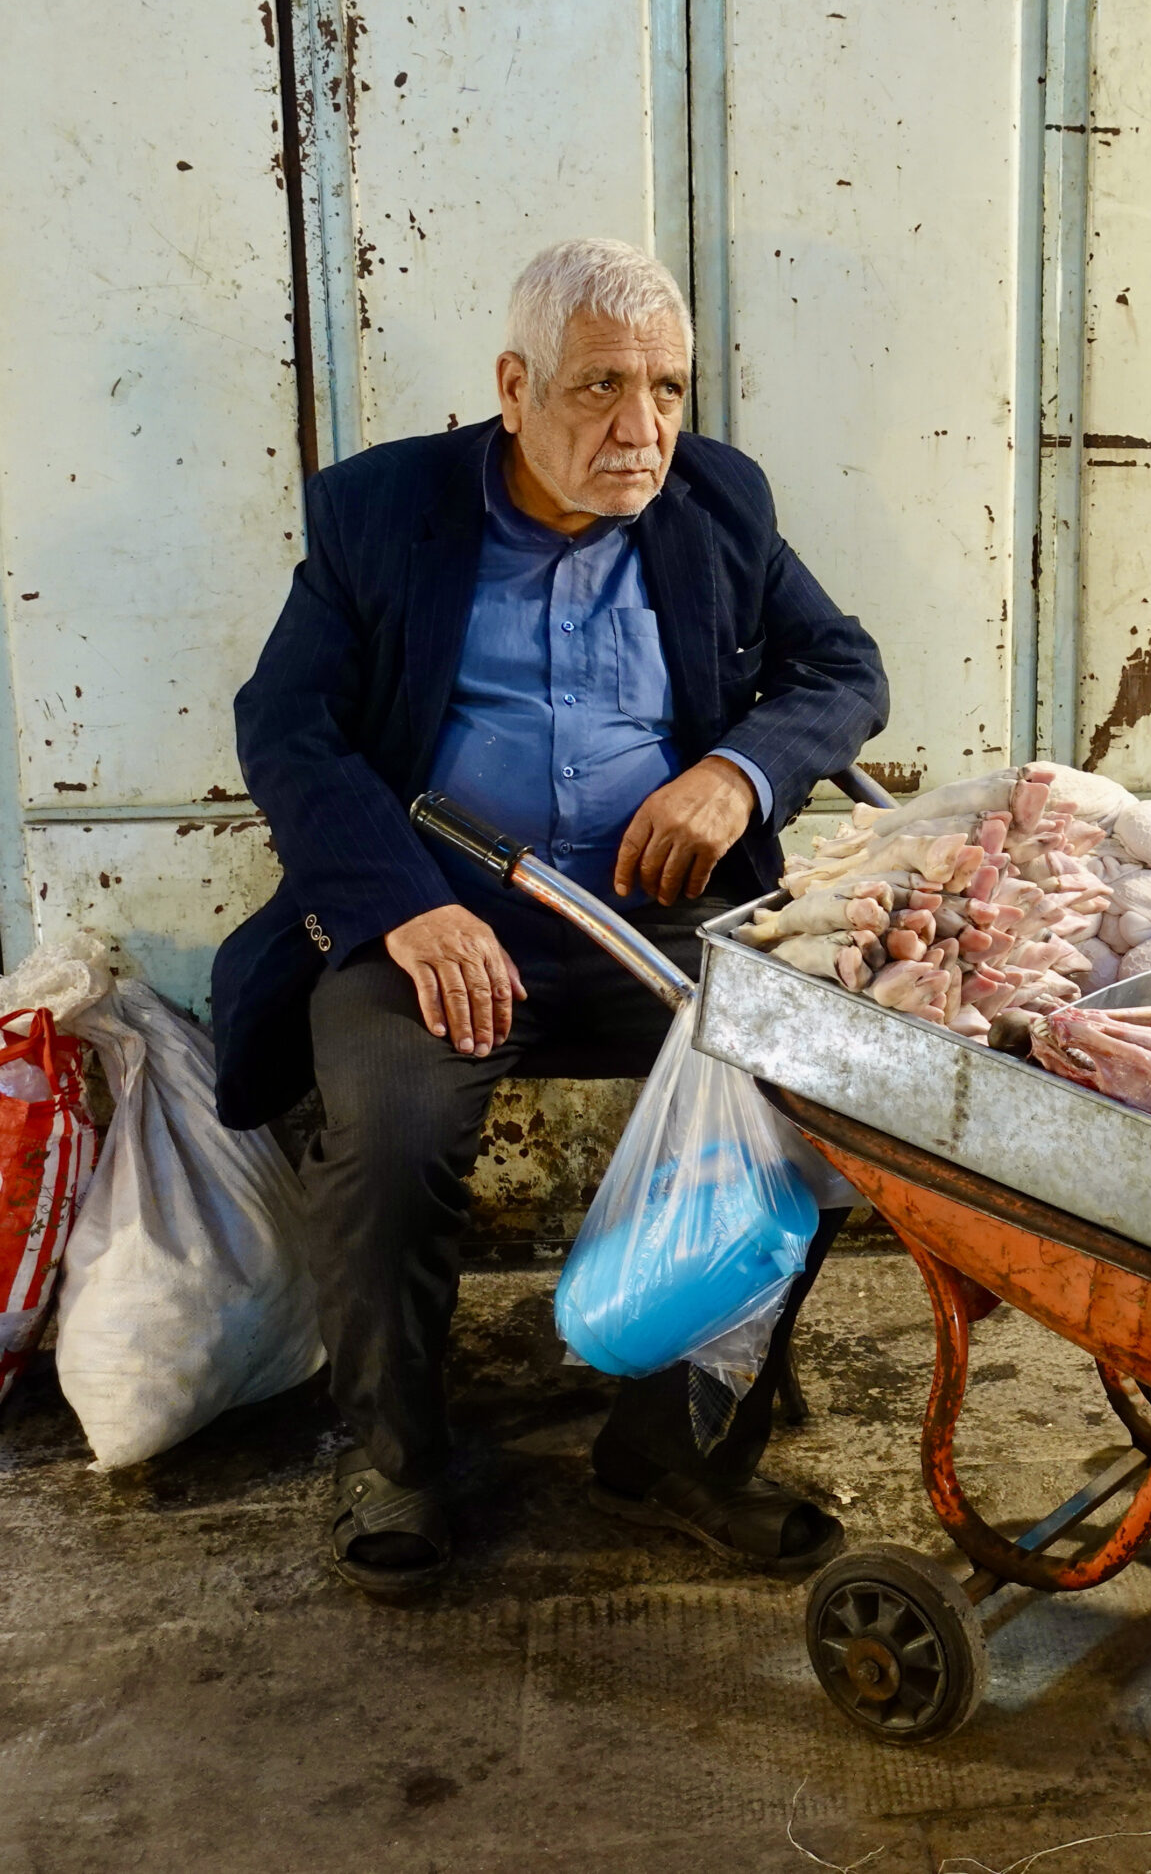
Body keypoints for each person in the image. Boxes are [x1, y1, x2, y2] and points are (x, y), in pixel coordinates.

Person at [213, 237, 891, 1596]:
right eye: (599, 389)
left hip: (658, 924)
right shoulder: (382, 512)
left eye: (666, 389)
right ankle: (396, 1455)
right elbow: (286, 730)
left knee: (805, 1090)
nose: (640, 431)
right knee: (395, 1132)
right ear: (514, 387)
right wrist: (402, 909)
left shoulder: (717, 504)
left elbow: (842, 668)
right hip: (437, 923)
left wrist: (736, 771)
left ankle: (677, 1443)